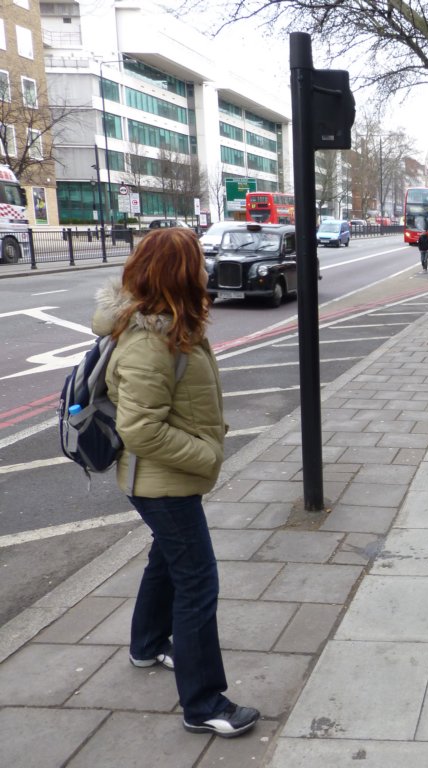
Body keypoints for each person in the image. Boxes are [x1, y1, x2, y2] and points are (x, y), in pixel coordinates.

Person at [94, 228, 260, 738]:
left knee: (166, 559)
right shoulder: (149, 341)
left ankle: (147, 645)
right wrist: (204, 455)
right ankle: (204, 703)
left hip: (165, 479)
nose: (206, 270)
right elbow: (140, 429)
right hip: (161, 483)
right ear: (179, 274)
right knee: (198, 582)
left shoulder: (170, 325)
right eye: (198, 263)